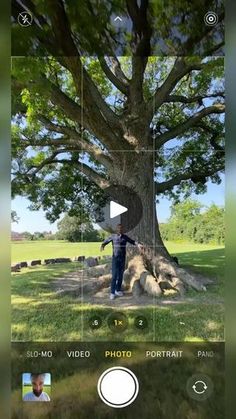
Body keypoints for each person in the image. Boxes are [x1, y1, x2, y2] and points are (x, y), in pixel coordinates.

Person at [100, 224, 142, 300]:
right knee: (114, 275)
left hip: (122, 259)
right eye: (118, 228)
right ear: (116, 229)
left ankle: (117, 290)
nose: (120, 230)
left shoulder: (124, 237)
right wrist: (102, 245)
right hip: (115, 259)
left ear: (122, 230)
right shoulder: (113, 236)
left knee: (120, 275)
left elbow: (132, 241)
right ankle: (112, 293)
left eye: (121, 229)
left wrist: (138, 244)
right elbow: (106, 241)